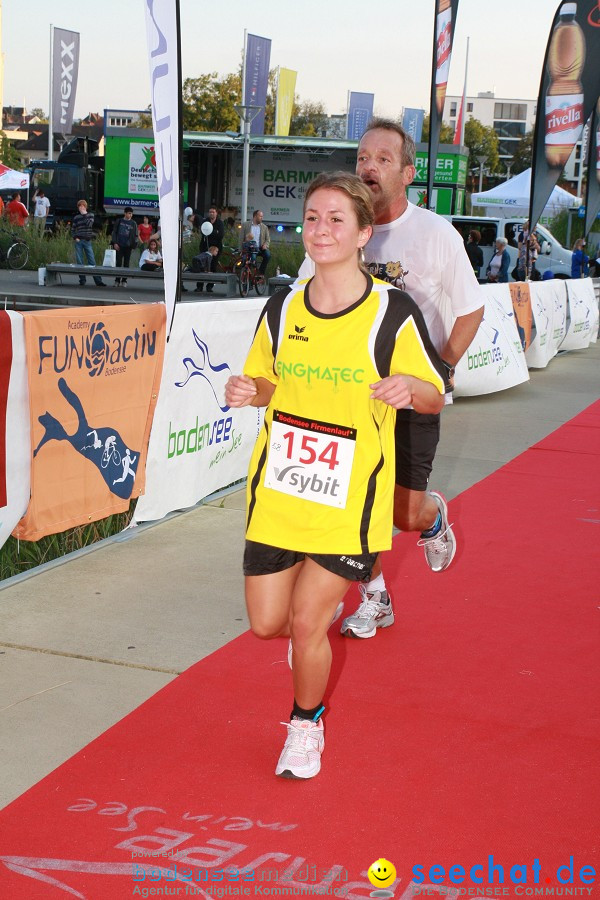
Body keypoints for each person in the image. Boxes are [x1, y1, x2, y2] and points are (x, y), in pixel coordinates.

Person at [225, 171, 447, 779]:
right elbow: (268, 382)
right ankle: (309, 656)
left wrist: (411, 388)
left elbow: (434, 394)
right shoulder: (283, 306)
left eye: (337, 220)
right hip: (279, 492)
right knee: (267, 625)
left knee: (306, 621)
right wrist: (250, 390)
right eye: (314, 218)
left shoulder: (389, 311)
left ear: (363, 235)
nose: (321, 230)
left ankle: (305, 725)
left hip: (351, 498)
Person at [299, 118, 484, 639]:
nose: (368, 168)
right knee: (346, 500)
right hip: (349, 397)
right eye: (362, 158)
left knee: (401, 511)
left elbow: (471, 311)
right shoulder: (337, 227)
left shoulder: (435, 234)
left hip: (412, 395)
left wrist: (441, 370)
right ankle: (374, 596)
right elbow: (304, 300)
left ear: (407, 173)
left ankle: (432, 517)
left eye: (382, 159)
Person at [71, 199, 106, 287]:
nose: (81, 208)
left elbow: (89, 224)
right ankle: (82, 280)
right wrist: (75, 237)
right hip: (79, 240)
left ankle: (98, 281)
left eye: (82, 206)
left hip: (87, 240)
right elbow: (73, 229)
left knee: (92, 261)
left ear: (85, 207)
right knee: (80, 261)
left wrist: (84, 215)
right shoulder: (76, 218)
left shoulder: (90, 215)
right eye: (79, 206)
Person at [195, 206, 224, 293]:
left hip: (215, 247)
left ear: (216, 213)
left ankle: (210, 286)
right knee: (201, 266)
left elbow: (220, 235)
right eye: (210, 212)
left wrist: (212, 232)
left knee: (213, 266)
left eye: (213, 212)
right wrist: (215, 232)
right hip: (205, 246)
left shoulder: (219, 223)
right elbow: (203, 231)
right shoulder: (205, 221)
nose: (211, 213)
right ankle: (199, 286)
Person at [111, 206, 139, 287]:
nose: (130, 215)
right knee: (118, 263)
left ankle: (124, 280)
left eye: (131, 214)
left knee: (126, 264)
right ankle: (117, 280)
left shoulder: (133, 223)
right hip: (119, 245)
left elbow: (136, 235)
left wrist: (134, 245)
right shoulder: (119, 221)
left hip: (128, 246)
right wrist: (115, 243)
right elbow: (114, 232)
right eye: (129, 213)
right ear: (125, 213)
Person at [240, 209, 271, 275]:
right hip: (249, 248)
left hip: (260, 248)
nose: (262, 218)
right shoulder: (245, 225)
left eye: (262, 216)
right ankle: (247, 276)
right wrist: (241, 250)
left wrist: (265, 245)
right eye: (260, 216)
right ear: (255, 216)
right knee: (249, 259)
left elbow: (267, 239)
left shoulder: (264, 227)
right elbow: (241, 238)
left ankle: (260, 273)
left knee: (267, 255)